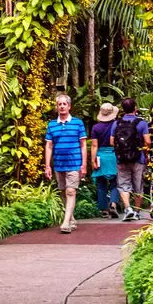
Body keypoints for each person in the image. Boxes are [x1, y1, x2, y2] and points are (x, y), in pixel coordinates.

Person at [43, 90, 88, 233]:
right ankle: (72, 218)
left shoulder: (78, 123)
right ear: (56, 107)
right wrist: (47, 166)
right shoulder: (52, 125)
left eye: (64, 104)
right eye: (59, 104)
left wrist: (84, 165)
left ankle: (66, 222)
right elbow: (49, 145)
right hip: (59, 164)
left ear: (69, 106)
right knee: (63, 191)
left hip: (74, 163)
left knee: (70, 191)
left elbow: (83, 145)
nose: (62, 106)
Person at [114, 97, 150, 222]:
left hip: (121, 159)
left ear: (123, 109)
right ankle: (137, 212)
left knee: (123, 184)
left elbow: (111, 141)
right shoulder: (142, 123)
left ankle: (128, 208)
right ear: (135, 108)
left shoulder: (117, 123)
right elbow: (148, 141)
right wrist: (144, 151)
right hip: (138, 159)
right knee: (138, 185)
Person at [90, 102, 121, 218]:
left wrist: (92, 160)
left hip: (100, 156)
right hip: (114, 155)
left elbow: (94, 145)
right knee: (115, 182)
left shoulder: (96, 127)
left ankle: (103, 209)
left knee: (101, 184)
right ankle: (113, 204)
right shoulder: (117, 125)